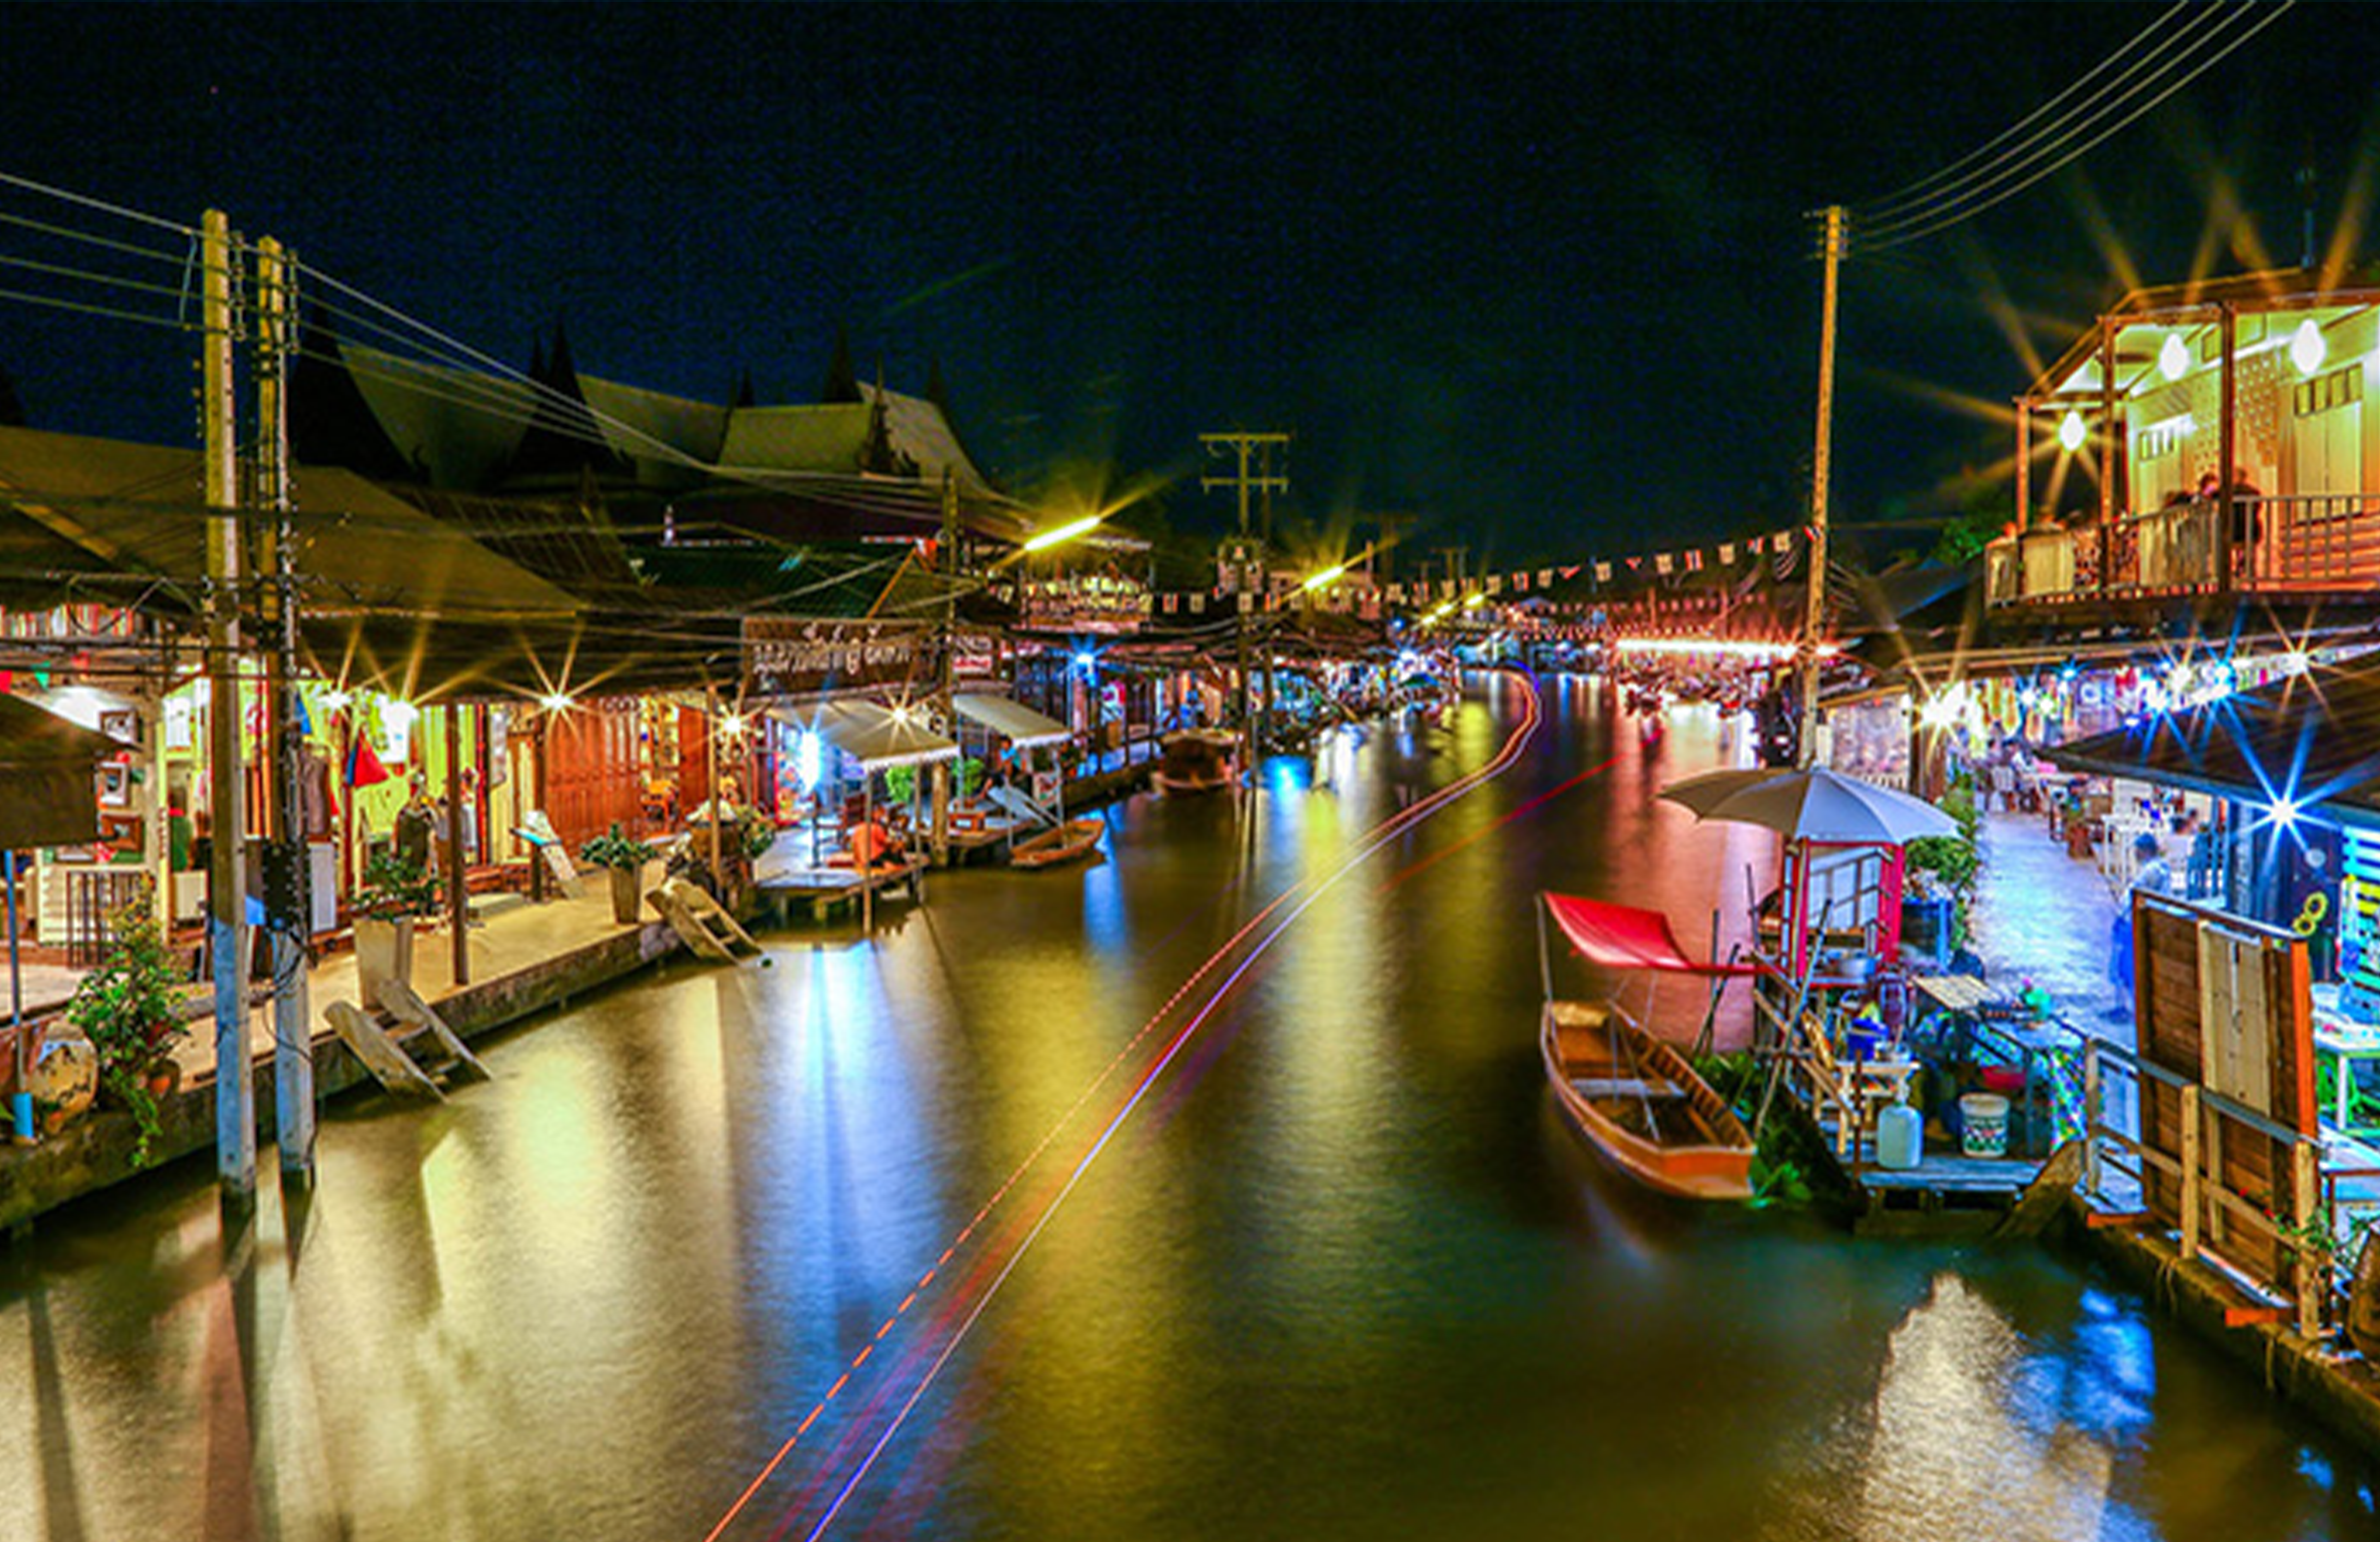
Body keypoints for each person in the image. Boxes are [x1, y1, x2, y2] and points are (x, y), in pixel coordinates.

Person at [2108, 832, 2175, 1002]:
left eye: (2138, 850)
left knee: (2126, 963)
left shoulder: (2153, 872)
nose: (2136, 854)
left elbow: (2133, 895)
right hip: (2146, 919)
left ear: (2145, 851)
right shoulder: (2160, 868)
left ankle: (2127, 1006)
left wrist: (2121, 918)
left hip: (2140, 921)